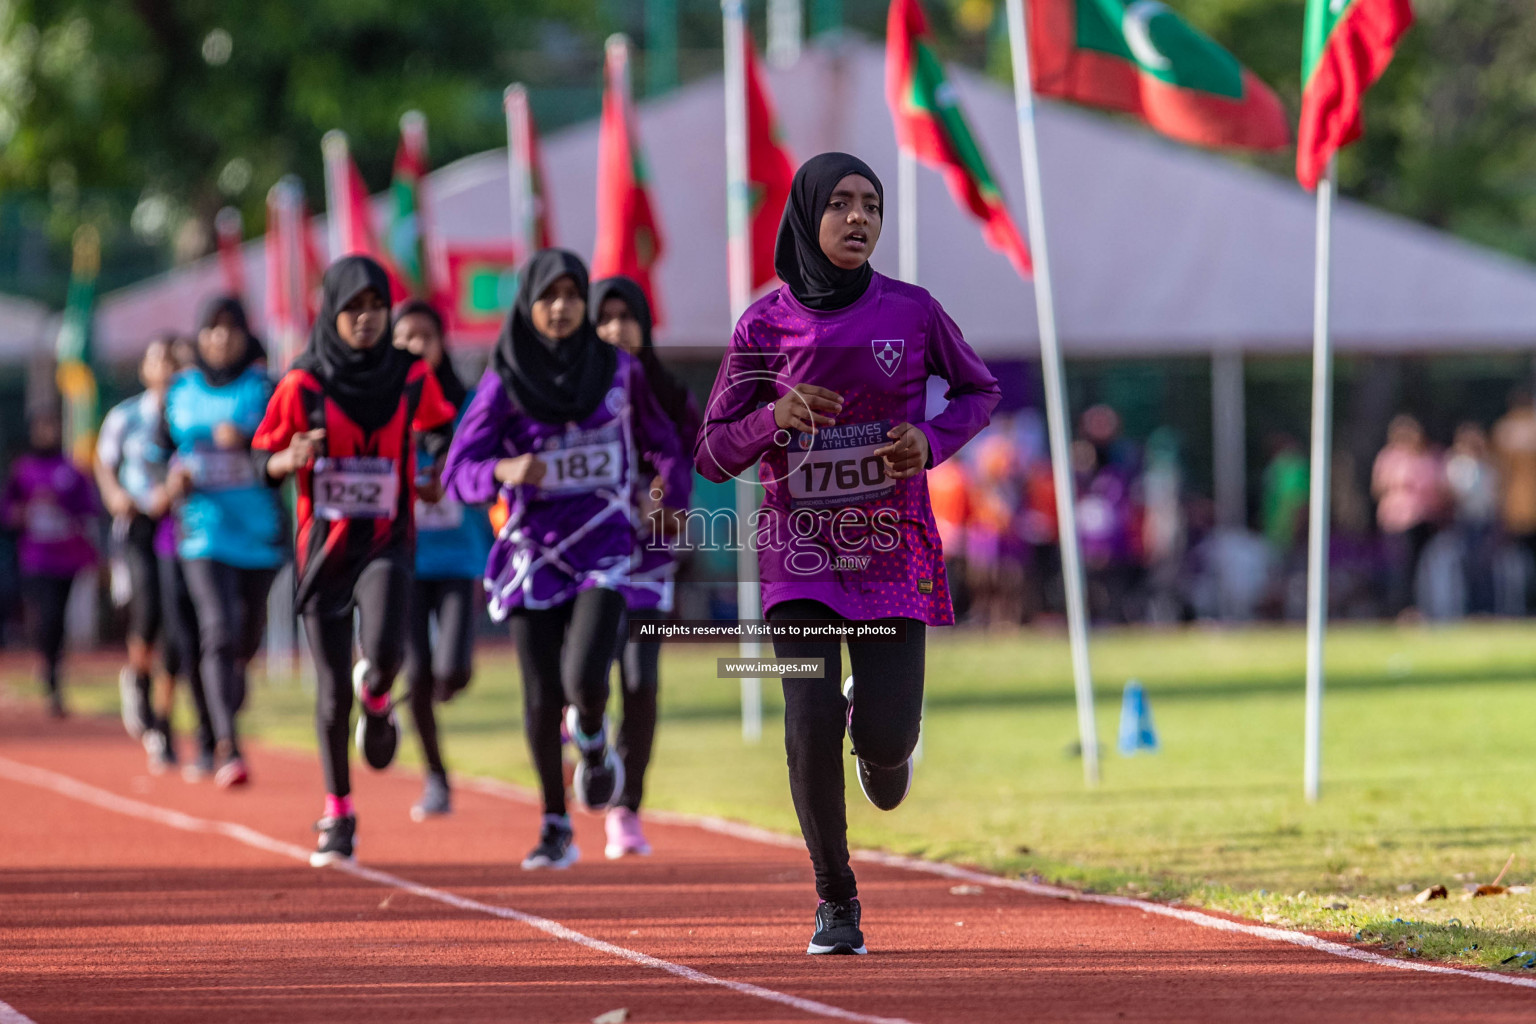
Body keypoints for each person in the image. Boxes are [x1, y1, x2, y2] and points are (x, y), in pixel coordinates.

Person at [694, 153, 999, 955]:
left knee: (888, 746)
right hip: (798, 552)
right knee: (806, 719)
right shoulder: (764, 328)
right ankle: (837, 900)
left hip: (890, 551)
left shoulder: (913, 311)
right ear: (806, 216)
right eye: (840, 205)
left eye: (871, 205)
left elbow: (980, 392)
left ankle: (882, 732)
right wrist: (772, 420)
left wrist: (928, 441)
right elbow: (711, 455)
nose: (858, 219)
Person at [442, 249, 690, 871]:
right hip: (533, 556)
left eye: (571, 296)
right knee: (540, 692)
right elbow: (458, 471)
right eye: (548, 297)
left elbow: (668, 446)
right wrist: (504, 468)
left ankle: (593, 736)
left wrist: (667, 493)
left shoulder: (619, 371)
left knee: (585, 677)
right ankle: (555, 824)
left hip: (606, 549)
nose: (561, 308)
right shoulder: (503, 382)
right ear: (528, 304)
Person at [254, 258, 456, 865]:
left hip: (389, 539)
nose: (366, 319)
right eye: (353, 308)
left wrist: (434, 471)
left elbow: (443, 428)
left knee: (389, 650)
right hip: (323, 551)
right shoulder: (303, 382)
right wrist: (289, 459)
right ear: (332, 313)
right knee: (328, 693)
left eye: (376, 307)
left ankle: (377, 693)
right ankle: (338, 812)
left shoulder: (410, 375)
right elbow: (264, 457)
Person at [151, 296, 286, 788]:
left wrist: (250, 441)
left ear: (244, 335)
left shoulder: (263, 388)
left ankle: (224, 702)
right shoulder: (180, 392)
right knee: (217, 629)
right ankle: (227, 744)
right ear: (199, 336)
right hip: (201, 532)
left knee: (243, 638)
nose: (220, 338)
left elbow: (284, 448)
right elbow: (161, 452)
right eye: (211, 329)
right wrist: (173, 483)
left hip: (259, 534)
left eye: (230, 329)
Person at [590, 275, 700, 859]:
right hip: (586, 558)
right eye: (603, 318)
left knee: (640, 681)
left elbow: (685, 455)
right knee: (589, 667)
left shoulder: (666, 391)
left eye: (625, 316)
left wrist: (670, 499)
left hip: (649, 558)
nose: (615, 329)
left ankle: (627, 808)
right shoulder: (573, 391)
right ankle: (581, 725)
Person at [390, 297, 491, 822]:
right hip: (402, 557)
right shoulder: (381, 404)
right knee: (416, 675)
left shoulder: (468, 402)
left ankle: (430, 693)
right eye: (402, 338)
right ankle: (436, 778)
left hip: (460, 556)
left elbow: (487, 459)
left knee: (452, 670)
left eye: (422, 337)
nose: (413, 347)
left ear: (440, 343)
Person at [95, 335, 212, 772]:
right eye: (158, 359)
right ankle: (138, 679)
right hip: (140, 526)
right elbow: (104, 465)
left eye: (175, 359)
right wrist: (115, 496)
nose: (167, 366)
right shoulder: (125, 416)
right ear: (145, 369)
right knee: (146, 614)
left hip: (184, 527)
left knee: (179, 635)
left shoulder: (191, 415)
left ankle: (162, 725)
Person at [3, 409, 99, 718]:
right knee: (44, 615)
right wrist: (23, 511)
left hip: (68, 557)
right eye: (41, 427)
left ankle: (54, 667)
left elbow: (89, 508)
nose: (47, 433)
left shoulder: (72, 469)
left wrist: (61, 505)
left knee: (59, 617)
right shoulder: (23, 469)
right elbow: (7, 510)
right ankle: (49, 670)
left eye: (52, 427)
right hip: (36, 557)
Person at [1371, 414, 1444, 616]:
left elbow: (1436, 491)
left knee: (1418, 567)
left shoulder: (1426, 458)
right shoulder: (1389, 457)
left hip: (1421, 521)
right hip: (1395, 521)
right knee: (1399, 567)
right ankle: (1401, 608)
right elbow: (1378, 487)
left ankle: (1418, 608)